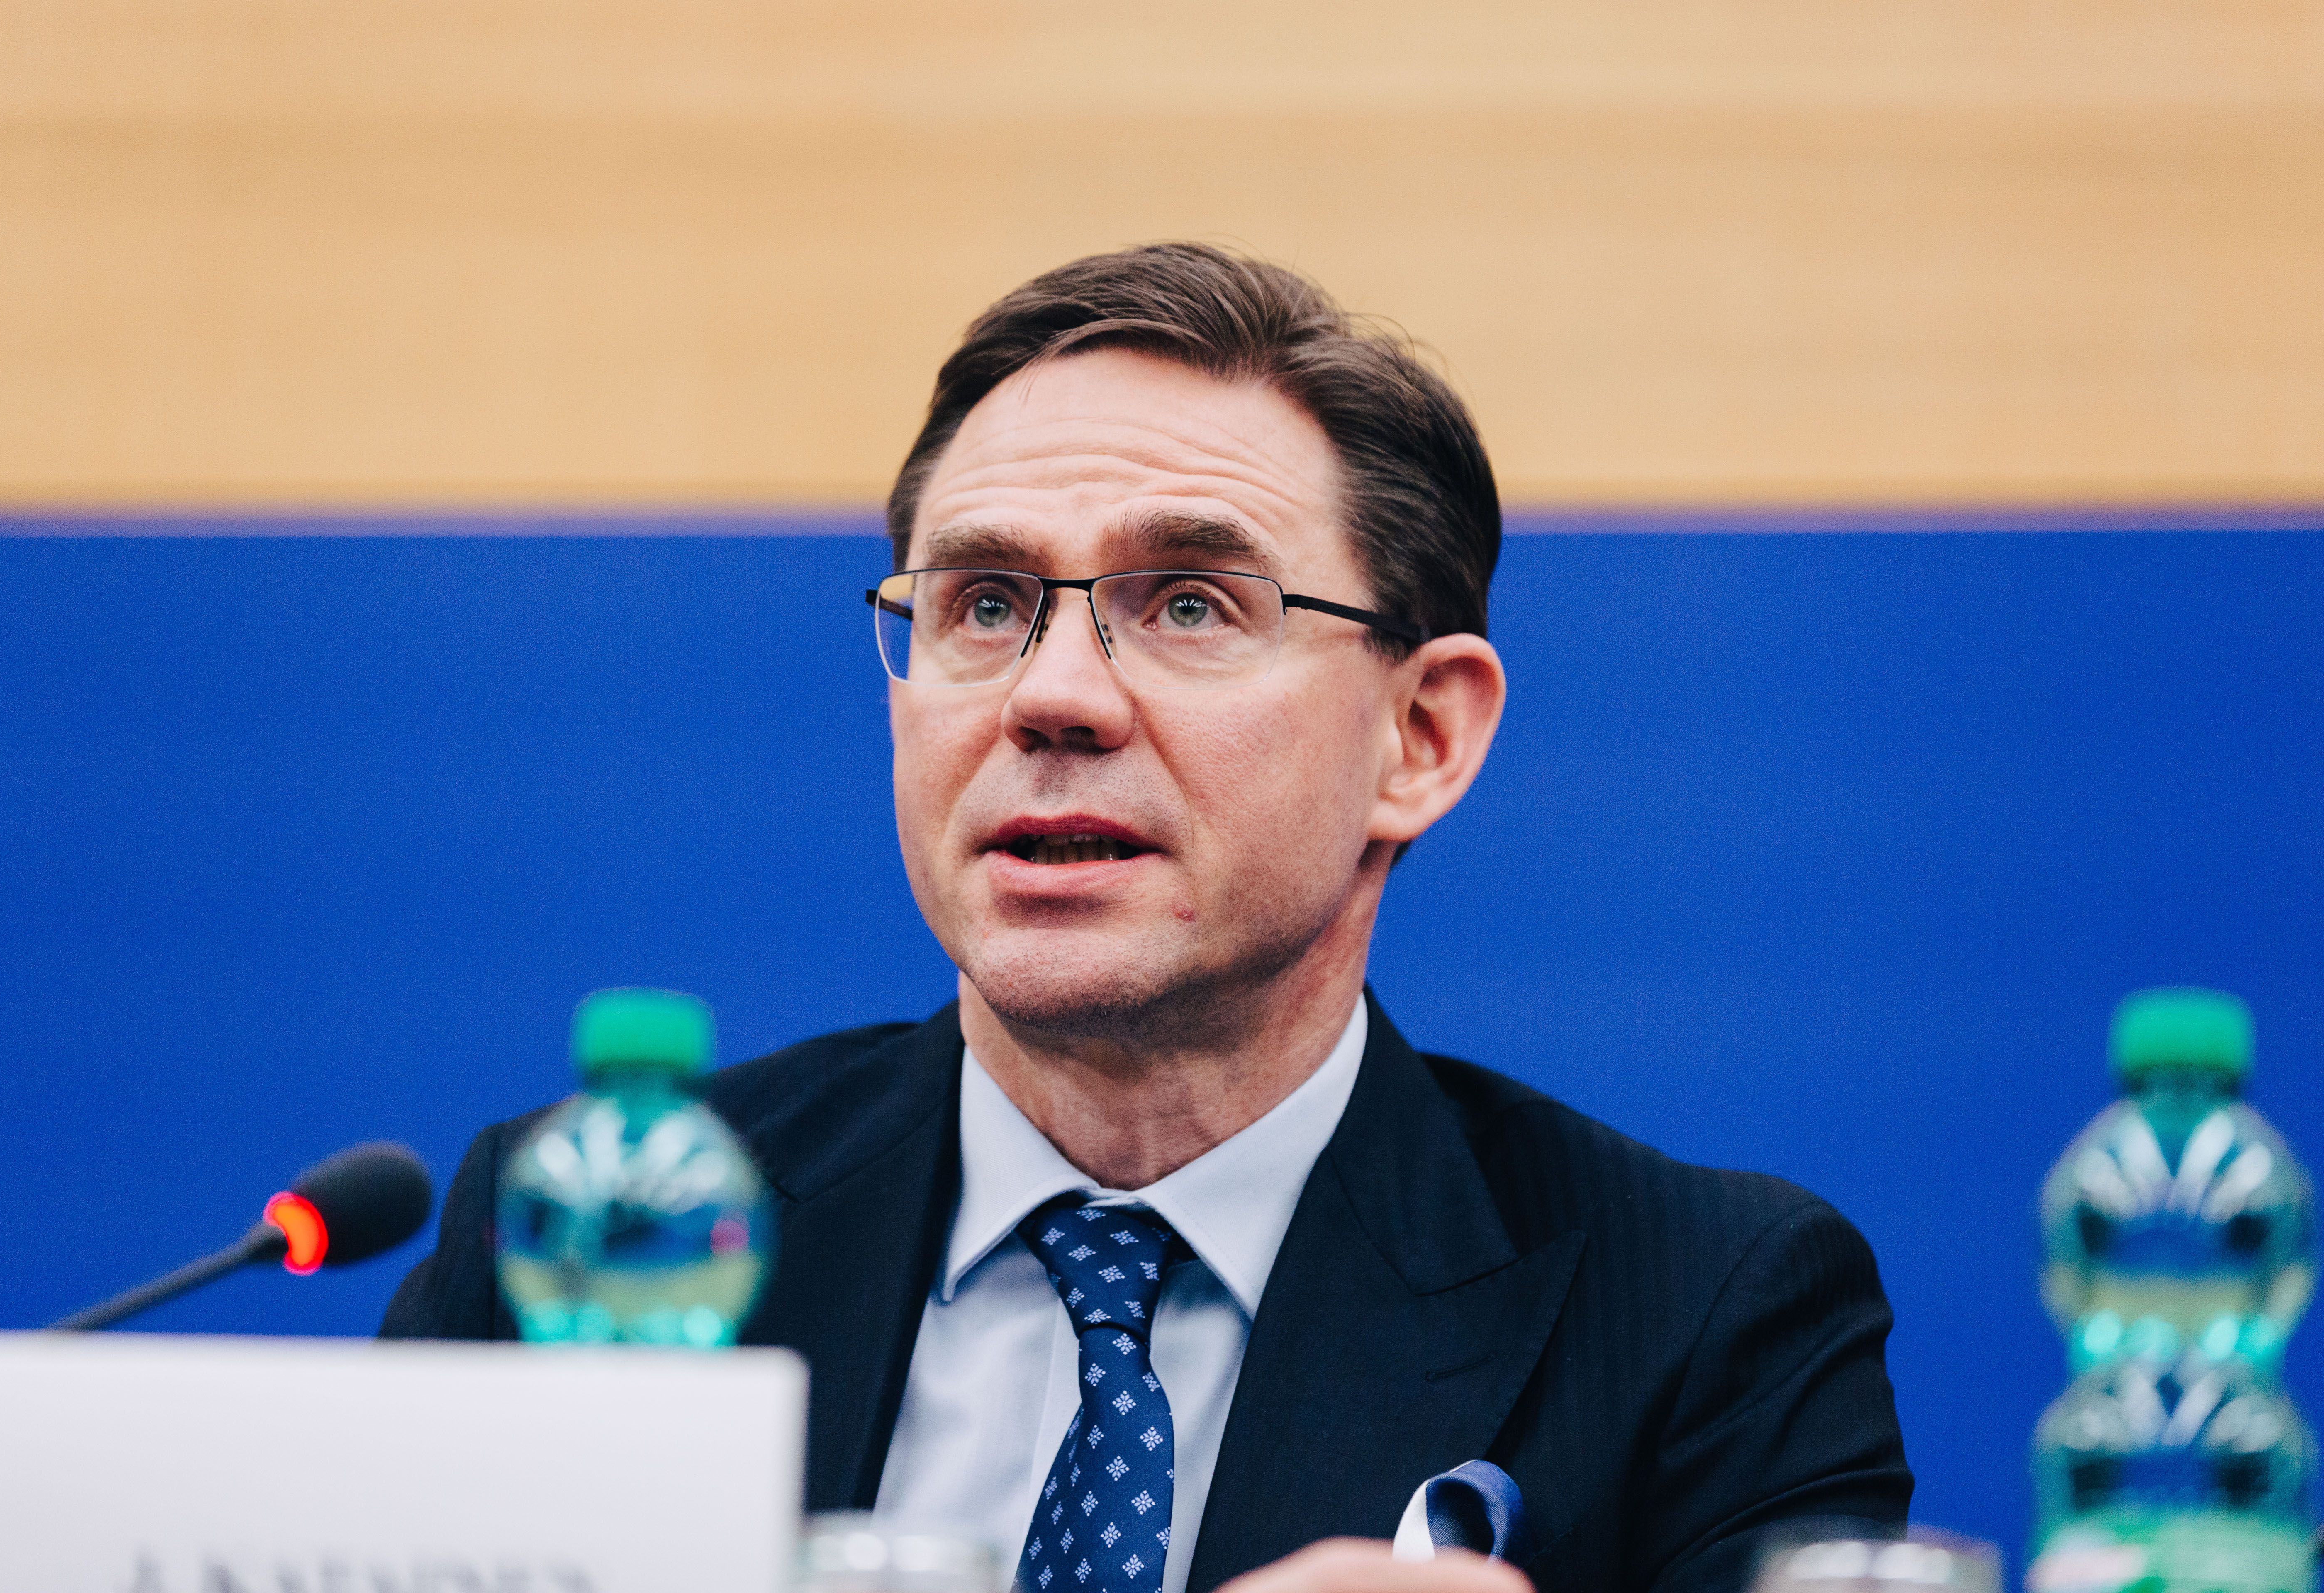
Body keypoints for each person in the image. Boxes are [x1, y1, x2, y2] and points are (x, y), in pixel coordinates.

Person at [382, 244, 1911, 1593]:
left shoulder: (1698, 1317)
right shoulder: (588, 1235)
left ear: (1421, 738)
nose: (1052, 695)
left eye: (1188, 604)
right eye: (983, 603)